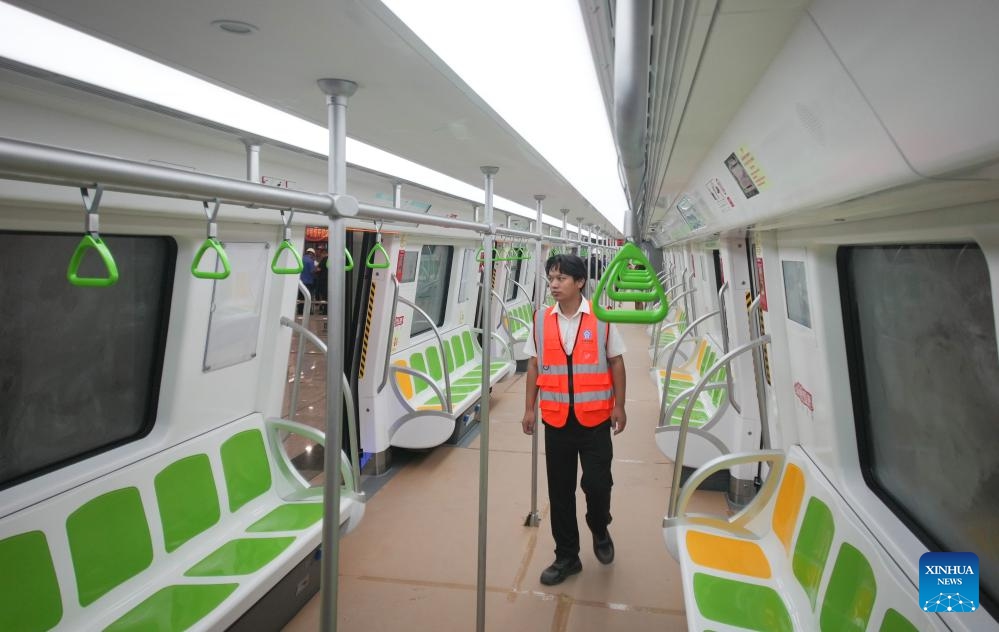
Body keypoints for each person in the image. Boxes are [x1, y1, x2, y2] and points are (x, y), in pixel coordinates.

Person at [522, 254, 627, 586]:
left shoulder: (602, 318)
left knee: (598, 484)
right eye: (551, 278)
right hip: (555, 419)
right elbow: (535, 365)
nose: (553, 285)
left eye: (561, 279)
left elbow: (617, 363)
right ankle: (567, 556)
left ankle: (599, 526)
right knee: (560, 492)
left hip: (594, 417)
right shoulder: (540, 319)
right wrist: (529, 408)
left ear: (579, 282)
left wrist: (619, 406)